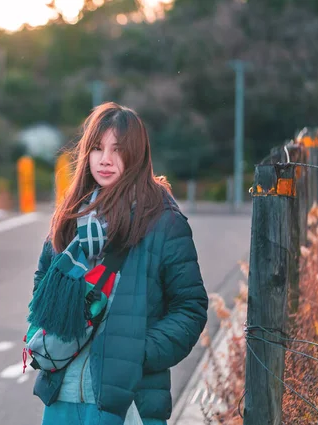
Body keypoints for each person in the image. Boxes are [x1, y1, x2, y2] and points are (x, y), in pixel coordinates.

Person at [28, 102, 209, 424]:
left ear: (136, 155)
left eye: (117, 149)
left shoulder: (162, 221)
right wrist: (39, 332)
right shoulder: (72, 215)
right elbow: (43, 281)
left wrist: (137, 353)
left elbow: (190, 306)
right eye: (97, 148)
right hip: (62, 396)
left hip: (128, 400)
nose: (105, 159)